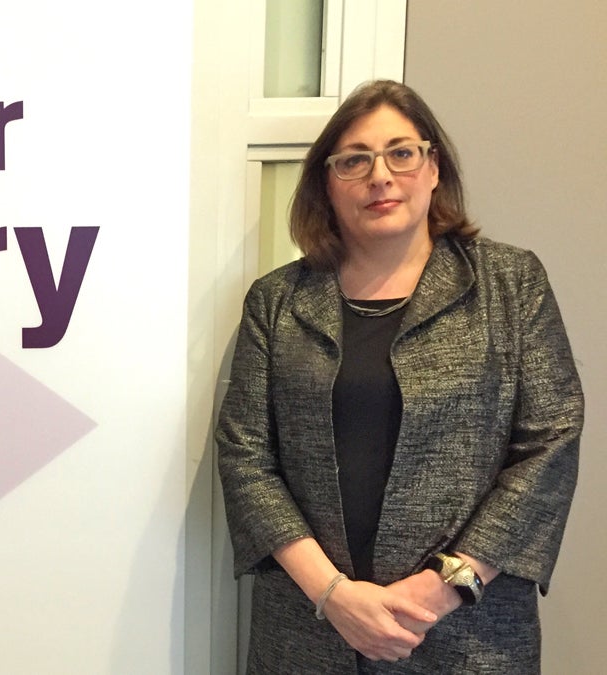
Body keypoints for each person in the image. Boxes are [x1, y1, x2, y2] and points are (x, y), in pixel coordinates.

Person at [215, 79, 583, 673]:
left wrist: (444, 588)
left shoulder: (510, 284)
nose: (379, 176)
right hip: (309, 633)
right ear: (326, 186)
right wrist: (334, 595)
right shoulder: (277, 302)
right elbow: (245, 456)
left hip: (469, 633)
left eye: (400, 153)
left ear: (433, 167)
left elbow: (550, 443)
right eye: (354, 161)